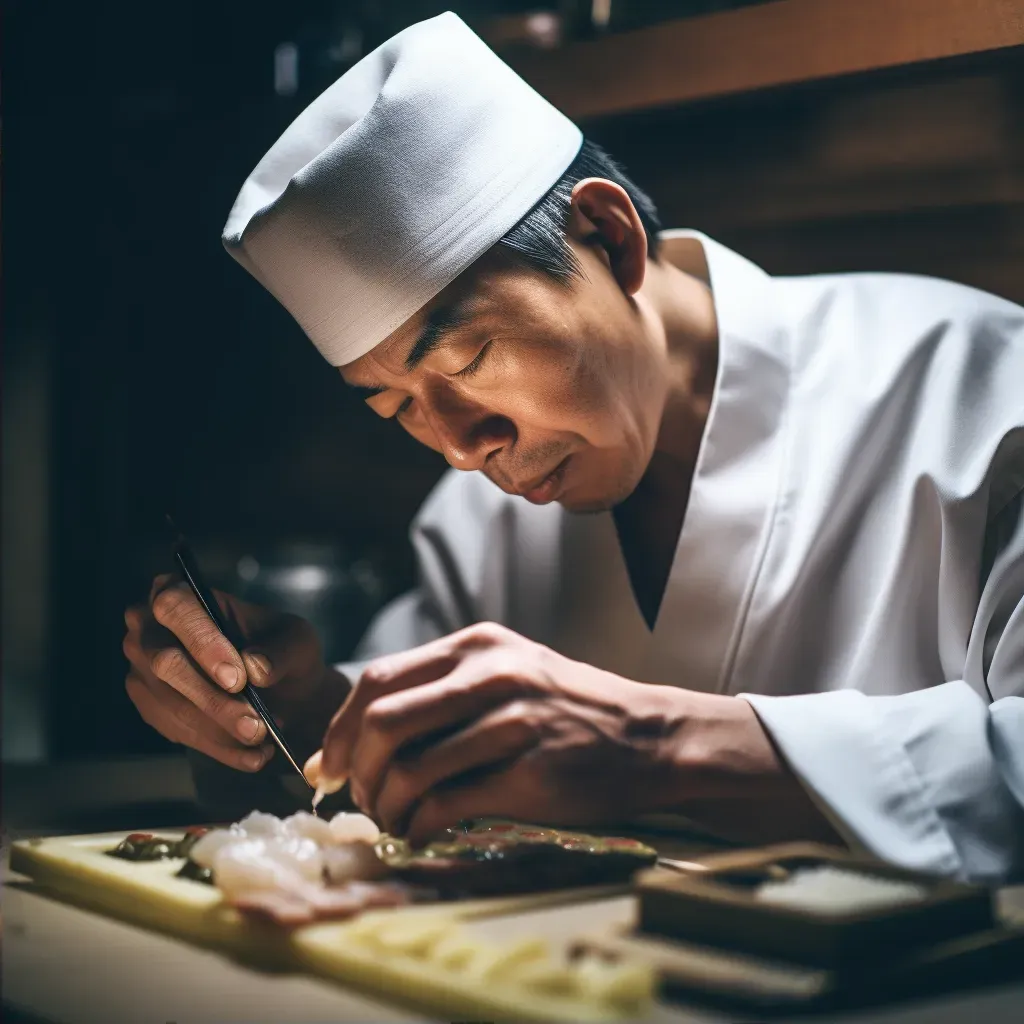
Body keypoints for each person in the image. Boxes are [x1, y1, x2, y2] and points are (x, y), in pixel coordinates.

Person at [122, 13, 1024, 882]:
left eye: (473, 355)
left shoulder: (981, 400)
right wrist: (302, 709)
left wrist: (661, 746)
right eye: (395, 406)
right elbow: (422, 750)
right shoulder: (477, 520)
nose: (464, 451)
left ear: (609, 235)